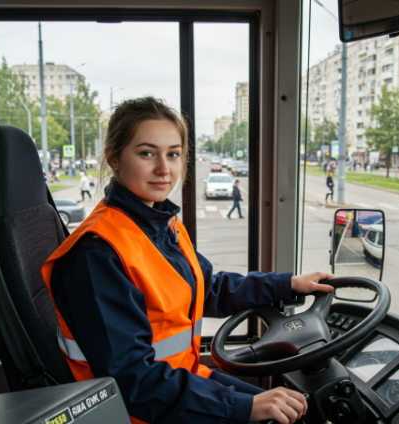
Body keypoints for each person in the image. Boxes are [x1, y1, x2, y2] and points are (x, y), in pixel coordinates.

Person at [40, 96, 332, 424]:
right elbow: (133, 382)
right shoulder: (98, 255)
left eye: (173, 154)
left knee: (296, 412)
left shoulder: (161, 224)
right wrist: (243, 407)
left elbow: (206, 289)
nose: (164, 169)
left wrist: (287, 284)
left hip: (181, 380)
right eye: (147, 153)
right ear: (115, 159)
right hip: (140, 410)